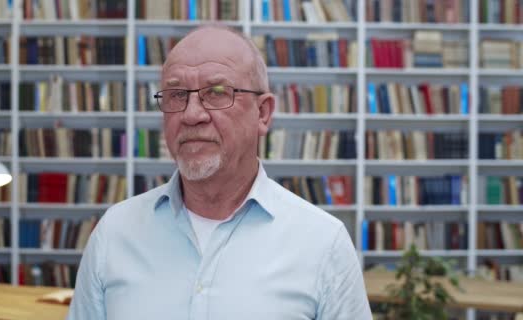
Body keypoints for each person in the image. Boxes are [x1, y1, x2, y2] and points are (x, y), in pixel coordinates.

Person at [67, 25, 372, 320]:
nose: (192, 115)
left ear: (262, 113)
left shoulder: (322, 244)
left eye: (216, 92)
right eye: (176, 95)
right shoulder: (114, 233)